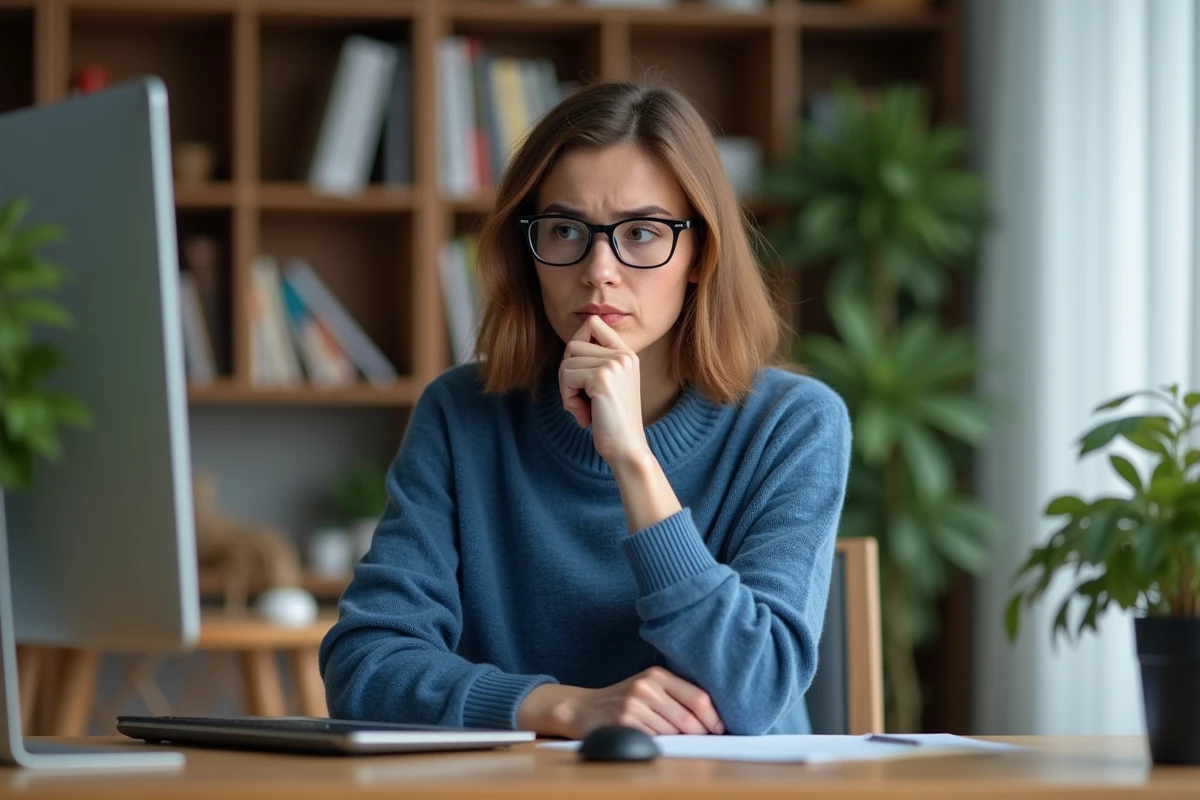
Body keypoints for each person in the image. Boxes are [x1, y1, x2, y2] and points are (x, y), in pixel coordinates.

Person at [319, 81, 852, 738]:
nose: (599, 269)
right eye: (567, 229)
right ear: (529, 249)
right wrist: (564, 706)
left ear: (700, 254)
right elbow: (365, 668)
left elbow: (756, 690)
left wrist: (631, 458)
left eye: (643, 231)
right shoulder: (461, 414)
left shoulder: (793, 424)